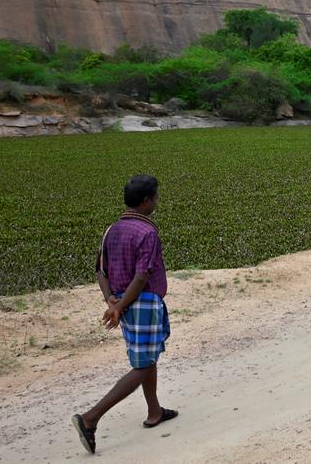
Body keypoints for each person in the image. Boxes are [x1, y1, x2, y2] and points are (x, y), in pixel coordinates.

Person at [72, 175, 177, 454]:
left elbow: (100, 271)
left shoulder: (112, 230)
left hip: (123, 302)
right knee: (142, 365)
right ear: (146, 201)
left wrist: (112, 301)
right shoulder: (147, 233)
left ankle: (154, 412)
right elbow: (142, 276)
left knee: (146, 356)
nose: (157, 200)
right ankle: (91, 418)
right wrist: (118, 307)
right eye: (156, 196)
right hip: (140, 302)